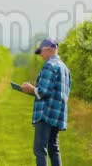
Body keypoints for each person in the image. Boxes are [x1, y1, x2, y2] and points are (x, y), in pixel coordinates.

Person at [21, 38, 72, 166]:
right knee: (53, 148)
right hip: (57, 114)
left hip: (46, 113)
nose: (40, 55)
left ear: (48, 49)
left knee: (39, 149)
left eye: (41, 52)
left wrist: (30, 89)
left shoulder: (50, 65)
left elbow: (43, 91)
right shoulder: (65, 69)